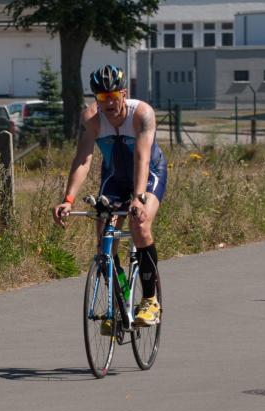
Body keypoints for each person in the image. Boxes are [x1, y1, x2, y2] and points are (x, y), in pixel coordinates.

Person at [52, 64, 166, 329]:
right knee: (104, 238)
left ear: (124, 94)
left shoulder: (142, 114)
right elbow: (83, 159)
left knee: (140, 224)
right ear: (96, 99)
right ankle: (120, 301)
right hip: (115, 177)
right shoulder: (92, 118)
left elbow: (142, 157)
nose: (109, 103)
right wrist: (68, 200)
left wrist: (138, 197)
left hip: (149, 173)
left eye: (114, 96)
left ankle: (150, 300)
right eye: (103, 98)